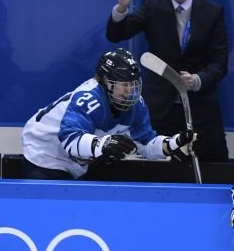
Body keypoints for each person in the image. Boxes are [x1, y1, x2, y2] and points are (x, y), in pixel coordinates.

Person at [106, 0, 229, 162]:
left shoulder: (213, 11)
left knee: (214, 171)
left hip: (201, 110)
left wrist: (197, 80)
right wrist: (122, 8)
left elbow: (220, 63)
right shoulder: (153, 3)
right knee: (156, 174)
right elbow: (116, 35)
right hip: (159, 110)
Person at [22, 49, 197, 179]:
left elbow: (145, 144)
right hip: (44, 152)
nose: (129, 91)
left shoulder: (136, 105)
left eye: (133, 84)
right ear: (105, 82)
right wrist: (102, 144)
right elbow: (71, 139)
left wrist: (173, 143)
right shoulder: (89, 98)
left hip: (76, 162)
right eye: (123, 85)